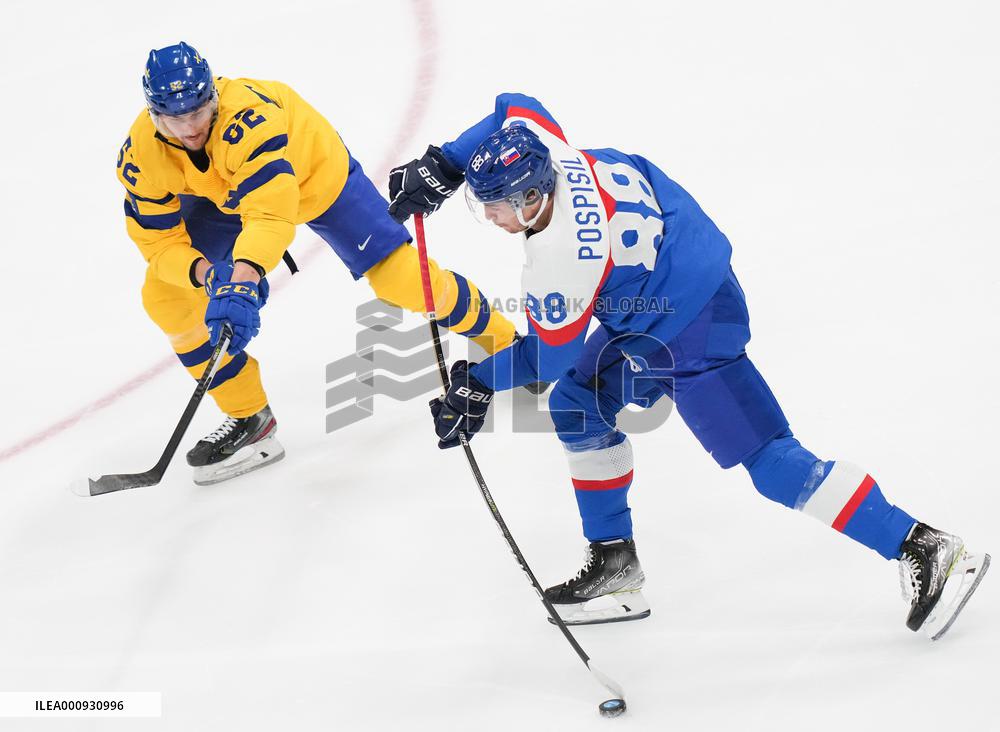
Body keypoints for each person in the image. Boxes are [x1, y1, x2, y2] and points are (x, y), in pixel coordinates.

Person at [388, 93, 990, 640]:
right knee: (577, 401)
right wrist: (446, 164)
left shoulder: (560, 260)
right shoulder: (556, 151)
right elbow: (513, 105)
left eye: (494, 206)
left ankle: (922, 544)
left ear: (529, 199)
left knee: (771, 462)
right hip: (676, 284)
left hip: (690, 327)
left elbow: (549, 354)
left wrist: (478, 382)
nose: (488, 218)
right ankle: (616, 567)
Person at [117, 43, 519, 485]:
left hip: (314, 176)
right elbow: (159, 243)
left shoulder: (249, 120)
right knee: (165, 297)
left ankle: (507, 345)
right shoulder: (142, 153)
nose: (191, 128)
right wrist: (210, 276)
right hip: (223, 196)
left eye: (198, 112)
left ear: (213, 95)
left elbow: (270, 212)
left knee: (403, 282)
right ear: (154, 116)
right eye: (176, 119)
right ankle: (250, 417)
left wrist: (245, 276)